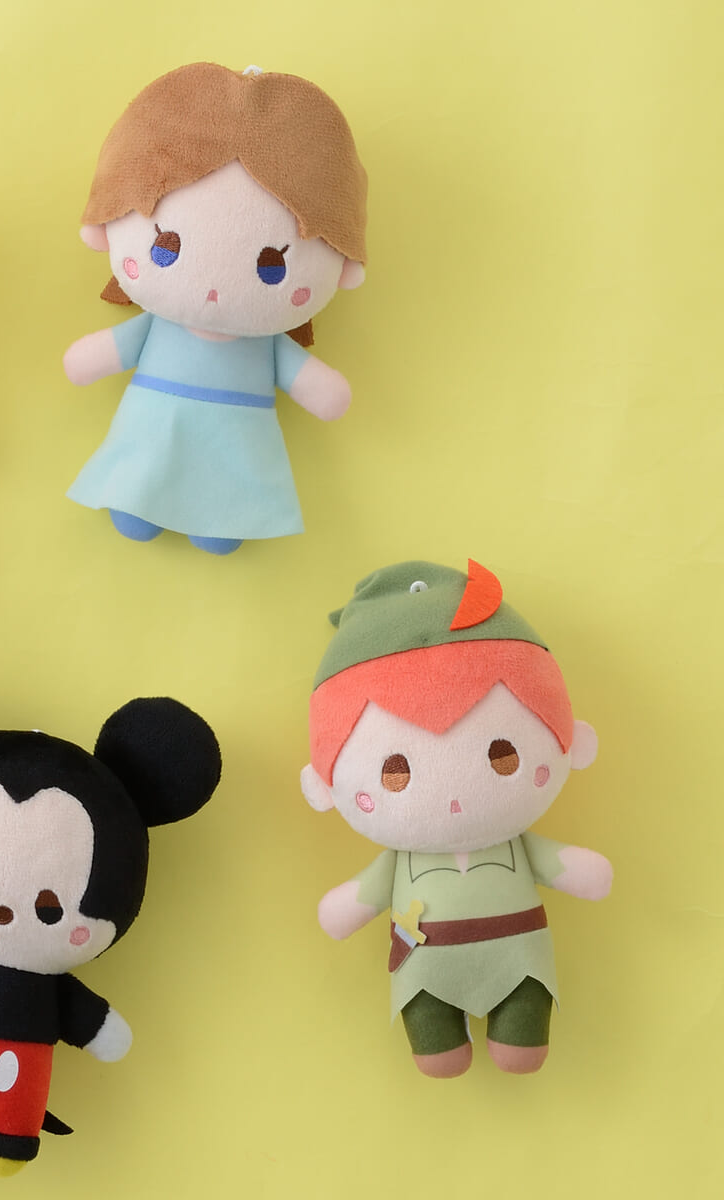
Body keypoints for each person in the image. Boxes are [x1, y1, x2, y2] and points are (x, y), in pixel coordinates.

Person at [302, 559, 612, 1076]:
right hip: (425, 969)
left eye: (502, 754)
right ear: (324, 785)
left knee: (522, 1051)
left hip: (519, 959)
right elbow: (360, 898)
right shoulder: (401, 858)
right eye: (395, 772)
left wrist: (582, 870)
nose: (453, 799)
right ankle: (439, 1039)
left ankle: (515, 1032)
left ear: (570, 740)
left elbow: (569, 868)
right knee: (437, 1056)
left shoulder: (515, 843)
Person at [65, 62, 367, 554]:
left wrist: (323, 389)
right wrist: (89, 359)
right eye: (166, 246)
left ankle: (218, 517)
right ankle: (138, 498)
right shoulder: (158, 328)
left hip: (235, 443)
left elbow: (320, 391)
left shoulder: (266, 344)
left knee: (222, 518)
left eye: (272, 267)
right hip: (154, 429)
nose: (213, 291)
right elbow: (97, 357)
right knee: (140, 483)